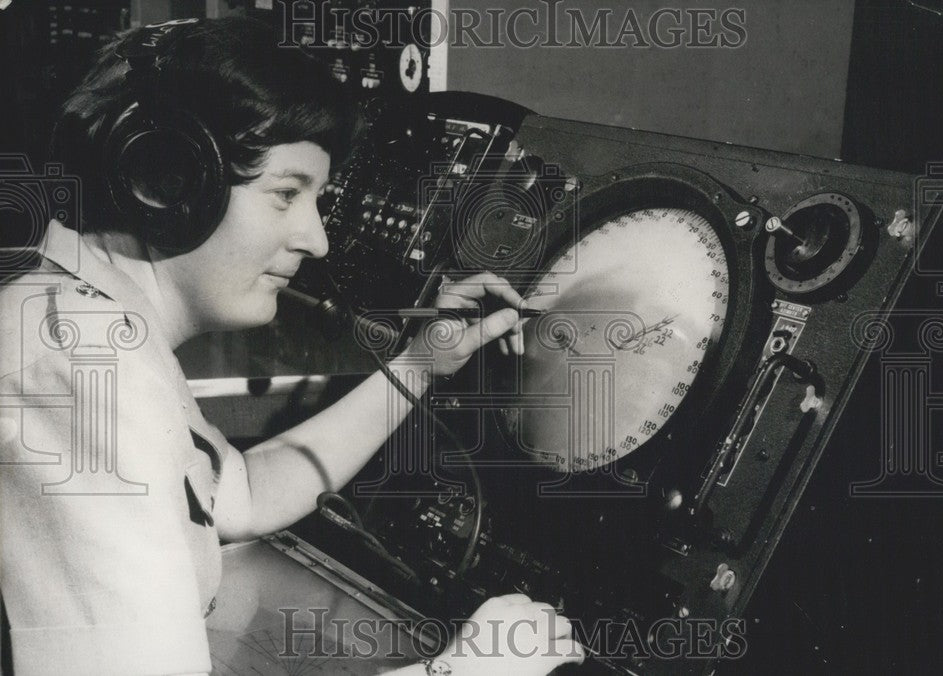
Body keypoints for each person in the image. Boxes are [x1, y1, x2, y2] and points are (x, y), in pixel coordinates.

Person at [0, 16, 584, 676]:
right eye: (286, 194)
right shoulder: (81, 372)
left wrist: (421, 364)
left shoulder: (73, 320)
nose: (317, 239)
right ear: (166, 183)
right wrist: (471, 670)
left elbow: (240, 493)